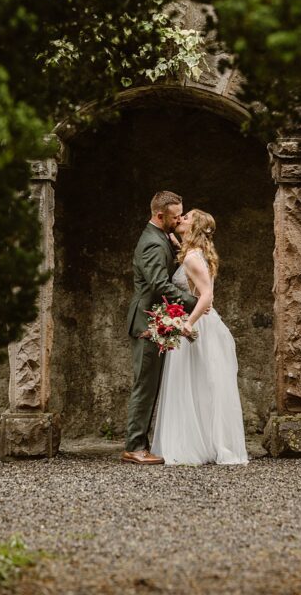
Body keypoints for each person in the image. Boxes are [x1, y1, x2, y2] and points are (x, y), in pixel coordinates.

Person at [151, 208, 248, 465]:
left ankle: (197, 445)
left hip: (199, 326)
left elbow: (207, 296)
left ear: (194, 227)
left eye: (187, 216)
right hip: (199, 323)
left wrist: (187, 324)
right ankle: (201, 442)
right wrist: (173, 240)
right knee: (198, 385)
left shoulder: (193, 257)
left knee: (197, 384)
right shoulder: (193, 252)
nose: (181, 218)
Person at [122, 191, 199, 465]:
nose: (179, 219)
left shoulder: (164, 236)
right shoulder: (152, 243)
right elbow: (158, 285)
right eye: (175, 215)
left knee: (152, 384)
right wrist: (195, 301)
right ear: (159, 215)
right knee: (145, 385)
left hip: (157, 320)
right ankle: (134, 447)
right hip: (146, 322)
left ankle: (142, 442)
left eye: (181, 214)